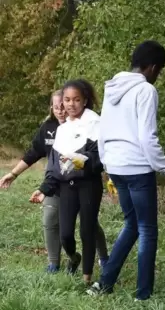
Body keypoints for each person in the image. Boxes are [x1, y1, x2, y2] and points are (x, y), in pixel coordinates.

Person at [87, 40, 165, 301]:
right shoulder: (145, 91)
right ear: (152, 67)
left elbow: (103, 131)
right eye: (159, 71)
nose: (157, 77)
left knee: (132, 225)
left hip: (116, 165)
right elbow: (147, 138)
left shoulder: (112, 88)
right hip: (138, 168)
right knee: (148, 229)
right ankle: (143, 294)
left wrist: (107, 166)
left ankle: (104, 284)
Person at [0, 90, 109, 273]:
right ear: (52, 107)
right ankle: (55, 263)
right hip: (53, 183)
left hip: (80, 184)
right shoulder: (48, 128)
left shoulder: (84, 126)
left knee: (89, 223)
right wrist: (14, 173)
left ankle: (104, 258)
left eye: (63, 105)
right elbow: (33, 153)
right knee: (50, 219)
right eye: (56, 106)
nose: (60, 110)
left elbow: (99, 155)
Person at [30, 79, 109, 284]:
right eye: (67, 100)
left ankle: (87, 278)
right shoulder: (63, 129)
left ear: (85, 101)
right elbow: (55, 167)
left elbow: (100, 158)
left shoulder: (95, 123)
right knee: (65, 234)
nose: (71, 104)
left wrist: (81, 162)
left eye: (76, 100)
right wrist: (44, 189)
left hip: (89, 185)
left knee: (87, 230)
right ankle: (74, 258)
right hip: (66, 187)